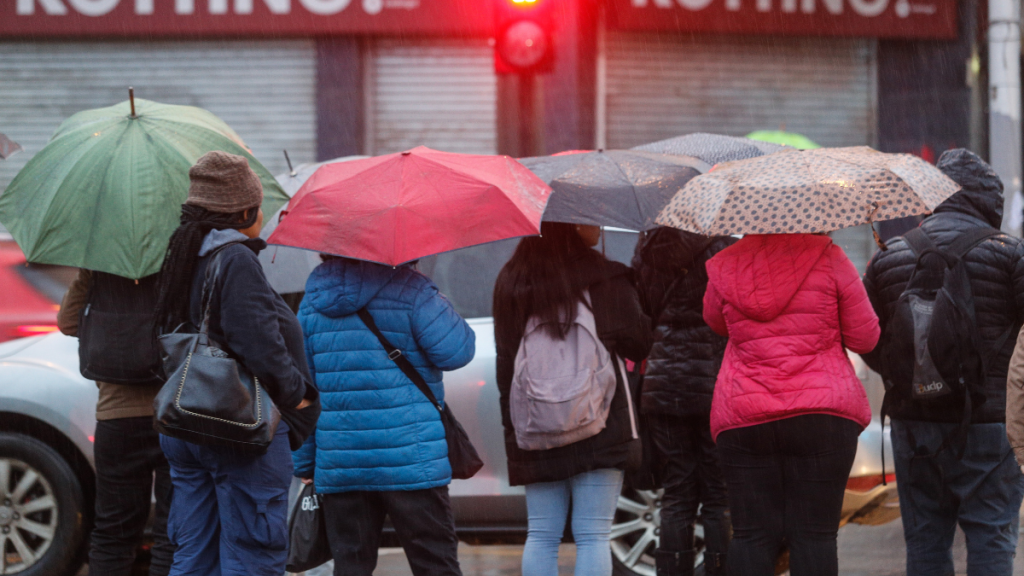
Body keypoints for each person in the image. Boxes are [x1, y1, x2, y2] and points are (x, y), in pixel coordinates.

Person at [154, 151, 320, 576]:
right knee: (252, 555)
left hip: (186, 421)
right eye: (259, 204)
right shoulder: (236, 259)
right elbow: (259, 343)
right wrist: (297, 397)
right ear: (242, 210)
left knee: (195, 555)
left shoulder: (183, 255)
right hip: (236, 426)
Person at [863, 148, 1024, 576]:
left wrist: (905, 375)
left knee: (926, 544)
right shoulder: (1011, 254)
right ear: (990, 202)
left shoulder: (889, 255)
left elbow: (865, 334)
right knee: (992, 537)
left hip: (914, 423)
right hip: (990, 424)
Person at [703, 232, 879, 576]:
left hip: (745, 413)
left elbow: (715, 322)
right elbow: (865, 337)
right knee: (814, 536)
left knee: (751, 535)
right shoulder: (830, 257)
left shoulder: (725, 263)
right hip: (821, 410)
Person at [292, 254, 476, 576]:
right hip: (411, 459)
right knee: (436, 565)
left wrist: (306, 462)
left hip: (341, 463)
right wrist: (439, 301)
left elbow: (302, 389)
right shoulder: (413, 289)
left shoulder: (312, 301)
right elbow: (457, 351)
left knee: (351, 567)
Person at [492, 222, 653, 576]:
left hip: (535, 424)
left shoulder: (512, 279)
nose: (597, 225)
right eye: (589, 217)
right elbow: (640, 343)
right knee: (593, 535)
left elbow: (506, 364)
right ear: (573, 225)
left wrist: (513, 430)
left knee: (543, 534)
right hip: (600, 419)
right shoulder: (605, 277)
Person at [631, 227, 736, 576]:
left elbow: (642, 310)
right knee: (719, 492)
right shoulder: (724, 247)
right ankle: (722, 569)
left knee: (677, 490)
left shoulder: (649, 249)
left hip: (665, 384)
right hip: (714, 379)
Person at [58, 273, 173, 575]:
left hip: (117, 419)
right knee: (171, 533)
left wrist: (87, 275)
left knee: (114, 533)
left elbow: (68, 322)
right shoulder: (179, 260)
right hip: (172, 415)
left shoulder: (101, 268)